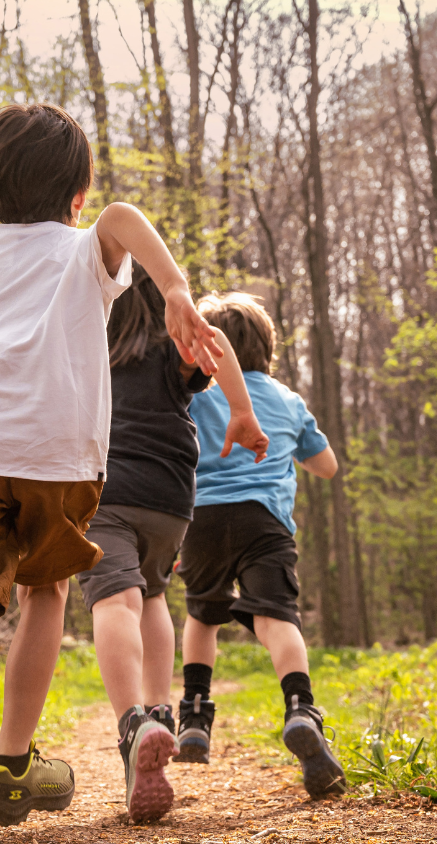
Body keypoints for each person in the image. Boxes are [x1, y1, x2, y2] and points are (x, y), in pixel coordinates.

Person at [0, 102, 264, 839]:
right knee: (43, 594)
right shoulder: (81, 251)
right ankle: (9, 767)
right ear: (76, 194)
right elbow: (124, 216)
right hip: (53, 461)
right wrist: (177, 290)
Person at [77, 266, 265, 823]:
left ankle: (134, 721)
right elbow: (218, 342)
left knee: (117, 600)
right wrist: (241, 409)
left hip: (104, 490)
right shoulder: (174, 348)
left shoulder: (88, 345)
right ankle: (160, 707)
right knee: (154, 595)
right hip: (169, 498)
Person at [173, 292, 347, 800]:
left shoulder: (196, 392)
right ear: (268, 348)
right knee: (277, 617)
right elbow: (327, 466)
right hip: (265, 520)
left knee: (203, 615)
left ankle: (195, 717)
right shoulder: (286, 399)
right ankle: (300, 708)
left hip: (200, 517)